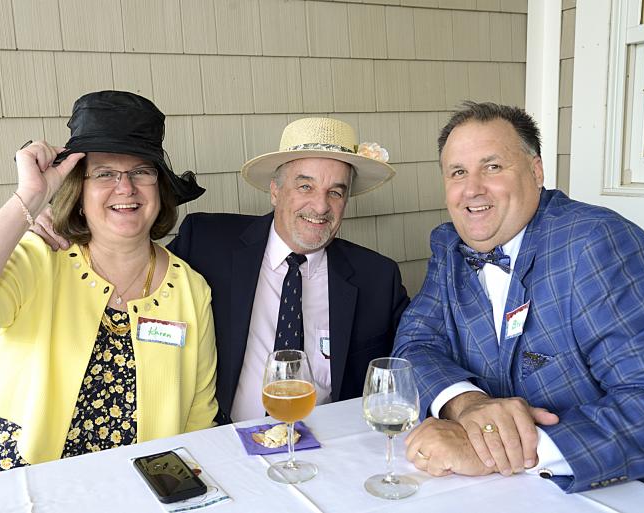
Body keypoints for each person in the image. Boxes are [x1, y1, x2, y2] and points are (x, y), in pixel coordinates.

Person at [392, 101, 644, 507]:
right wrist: (468, 405)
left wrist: (501, 446)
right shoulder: (450, 246)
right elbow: (414, 346)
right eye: (457, 172)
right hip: (508, 495)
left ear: (536, 172)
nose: (471, 189)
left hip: (634, 496)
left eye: (492, 167)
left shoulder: (597, 243)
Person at [0, 91, 218, 485]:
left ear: (159, 189)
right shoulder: (41, 256)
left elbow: (198, 416)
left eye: (141, 171)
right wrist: (29, 199)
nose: (126, 187)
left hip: (122, 484)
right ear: (79, 194)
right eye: (104, 173)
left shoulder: (190, 289)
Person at [36, 117, 410, 423]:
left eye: (336, 192)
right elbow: (130, 266)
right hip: (224, 444)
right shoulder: (208, 242)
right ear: (275, 191)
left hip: (327, 451)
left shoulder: (377, 278)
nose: (321, 206)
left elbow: (409, 364)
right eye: (305, 186)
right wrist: (68, 225)